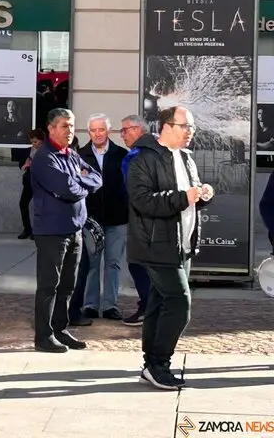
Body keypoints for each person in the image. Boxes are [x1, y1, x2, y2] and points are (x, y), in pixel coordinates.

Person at [126, 105, 213, 391]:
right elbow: (143, 201)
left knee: (159, 303)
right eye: (185, 126)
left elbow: (190, 195)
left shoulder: (186, 157)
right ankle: (159, 364)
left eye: (192, 127)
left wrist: (202, 195)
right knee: (179, 304)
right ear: (166, 126)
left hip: (182, 244)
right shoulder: (142, 157)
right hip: (156, 245)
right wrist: (183, 197)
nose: (191, 132)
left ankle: (150, 364)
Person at [29, 108, 102, 353]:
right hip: (51, 231)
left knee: (68, 285)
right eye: (63, 126)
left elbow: (96, 178)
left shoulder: (71, 155)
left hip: (75, 230)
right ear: (50, 129)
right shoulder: (44, 157)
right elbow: (67, 189)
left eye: (71, 125)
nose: (69, 130)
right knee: (49, 284)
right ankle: (43, 336)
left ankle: (60, 328)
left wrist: (80, 182)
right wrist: (82, 185)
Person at [77, 114, 129, 321]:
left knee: (113, 263)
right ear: (88, 132)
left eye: (101, 129)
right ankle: (90, 304)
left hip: (117, 218)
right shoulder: (80, 155)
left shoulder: (121, 154)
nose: (97, 134)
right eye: (93, 130)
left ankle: (110, 305)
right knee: (91, 263)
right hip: (91, 221)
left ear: (108, 130)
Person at [119, 114, 151, 326]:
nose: (122, 135)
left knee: (138, 264)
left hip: (143, 219)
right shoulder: (154, 149)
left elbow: (134, 192)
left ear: (139, 129)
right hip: (149, 218)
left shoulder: (136, 156)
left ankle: (148, 307)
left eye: (126, 130)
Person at [17, 129, 44, 240]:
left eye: (36, 142)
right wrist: (26, 165)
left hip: (40, 183)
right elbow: (21, 166)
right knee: (23, 204)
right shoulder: (27, 151)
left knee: (38, 207)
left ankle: (38, 230)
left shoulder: (46, 151)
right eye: (32, 141)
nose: (34, 144)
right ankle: (27, 228)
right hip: (29, 182)